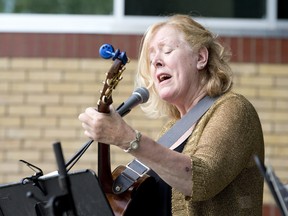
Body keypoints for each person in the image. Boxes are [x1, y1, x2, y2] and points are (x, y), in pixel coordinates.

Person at [78, 14, 264, 216]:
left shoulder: (234, 109)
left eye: (167, 51)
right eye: (151, 59)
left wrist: (126, 138)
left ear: (201, 57)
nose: (156, 61)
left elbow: (200, 180)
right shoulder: (171, 129)